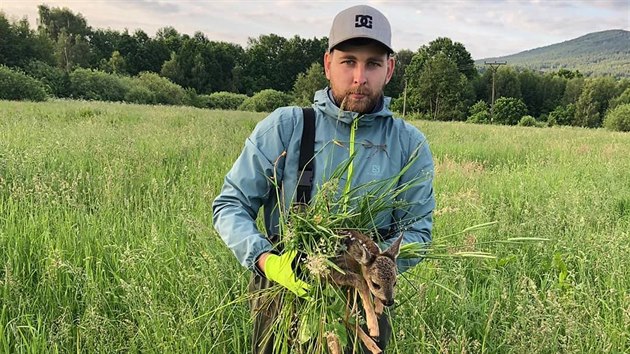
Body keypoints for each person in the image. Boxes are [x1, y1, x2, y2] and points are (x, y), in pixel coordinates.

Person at [212, 4, 435, 353]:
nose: (359, 77)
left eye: (373, 63)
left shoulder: (409, 145)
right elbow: (230, 205)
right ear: (328, 63)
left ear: (389, 69)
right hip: (283, 292)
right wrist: (266, 260)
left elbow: (418, 230)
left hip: (363, 304)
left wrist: (375, 268)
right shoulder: (285, 127)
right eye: (348, 61)